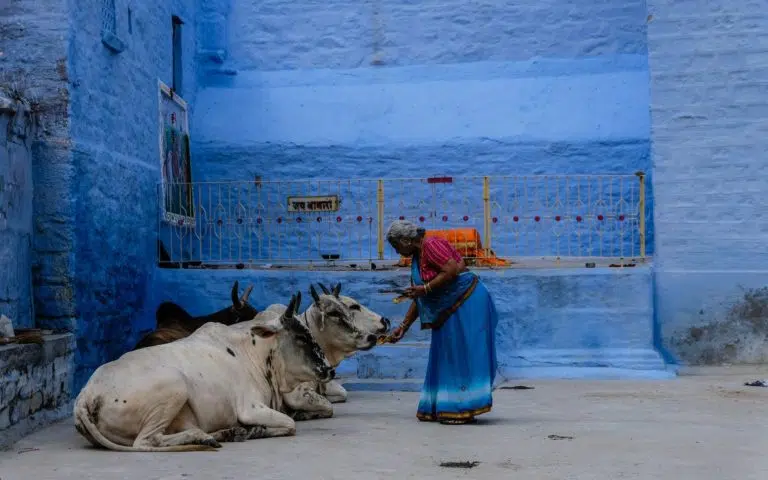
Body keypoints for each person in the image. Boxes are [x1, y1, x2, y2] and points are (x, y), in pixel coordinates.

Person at [385, 220, 499, 425]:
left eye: (396, 245)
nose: (396, 251)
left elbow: (451, 269)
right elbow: (421, 297)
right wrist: (403, 327)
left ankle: (463, 407)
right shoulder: (417, 256)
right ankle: (445, 404)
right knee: (446, 352)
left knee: (461, 353)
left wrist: (425, 289)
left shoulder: (431, 245)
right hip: (446, 306)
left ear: (405, 240)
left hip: (466, 299)